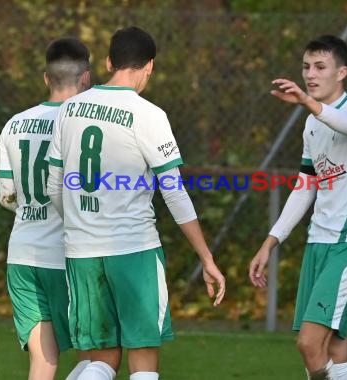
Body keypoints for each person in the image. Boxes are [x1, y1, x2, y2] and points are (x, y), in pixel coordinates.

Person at [46, 26, 226, 380]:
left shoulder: (69, 109)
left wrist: (79, 226)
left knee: (100, 361)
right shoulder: (148, 114)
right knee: (142, 358)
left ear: (110, 62)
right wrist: (206, 258)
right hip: (133, 250)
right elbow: (173, 192)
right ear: (149, 67)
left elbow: (55, 185)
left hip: (81, 252)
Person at [249, 35, 347, 380]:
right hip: (319, 243)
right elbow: (305, 186)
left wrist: (307, 102)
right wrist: (270, 242)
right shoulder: (312, 123)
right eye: (306, 67)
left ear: (342, 72)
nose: (311, 74)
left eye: (320, 67)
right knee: (334, 346)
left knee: (309, 345)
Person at [0, 36, 93, 380]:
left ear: (45, 77)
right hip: (68, 255)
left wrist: (32, 208)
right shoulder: (81, 125)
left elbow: (7, 195)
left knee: (43, 362)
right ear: (86, 78)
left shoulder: (14, 124)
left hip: (22, 254)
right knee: (94, 357)